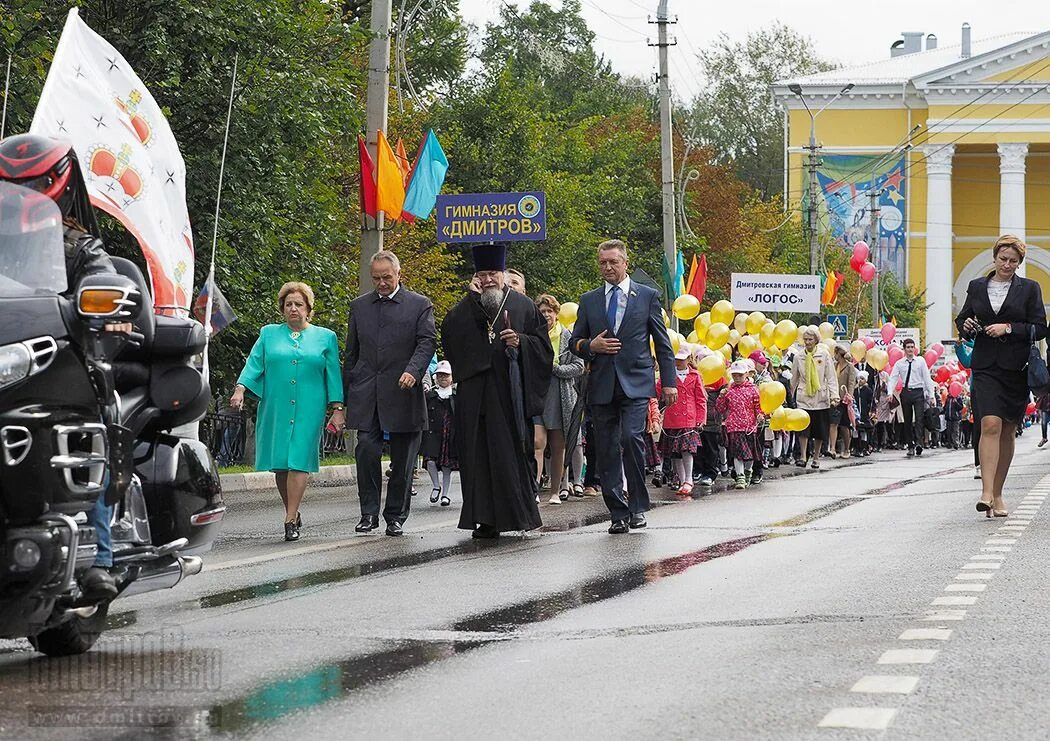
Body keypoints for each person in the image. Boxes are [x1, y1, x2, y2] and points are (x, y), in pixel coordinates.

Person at [0, 134, 136, 599]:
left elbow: (107, 279)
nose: (25, 190)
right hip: (8, 364)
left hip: (63, 362)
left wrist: (103, 297)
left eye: (35, 180)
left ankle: (99, 554)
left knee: (91, 423)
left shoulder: (78, 246)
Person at [442, 244, 553, 538]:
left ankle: (518, 517)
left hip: (509, 393)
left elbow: (544, 348)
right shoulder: (465, 307)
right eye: (483, 274)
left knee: (509, 454)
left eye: (493, 274)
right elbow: (451, 339)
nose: (488, 280)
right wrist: (471, 301)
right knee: (477, 456)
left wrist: (521, 342)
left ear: (502, 275)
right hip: (475, 394)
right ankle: (485, 520)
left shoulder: (523, 306)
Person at [570, 239, 676, 534]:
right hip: (602, 385)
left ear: (625, 263)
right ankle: (617, 512)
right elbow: (574, 342)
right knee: (605, 449)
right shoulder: (590, 300)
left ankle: (638, 507)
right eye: (603, 262)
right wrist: (591, 345)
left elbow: (663, 345)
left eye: (613, 262)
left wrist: (669, 382)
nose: (607, 267)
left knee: (631, 439)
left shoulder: (646, 296)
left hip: (636, 383)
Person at [232, 282, 344, 541]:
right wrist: (240, 389)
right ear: (282, 308)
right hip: (276, 405)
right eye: (288, 304)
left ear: (309, 309)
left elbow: (333, 376)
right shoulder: (269, 334)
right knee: (281, 463)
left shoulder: (325, 337)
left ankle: (289, 519)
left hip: (310, 406)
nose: (293, 309)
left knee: (299, 459)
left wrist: (337, 409)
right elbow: (254, 364)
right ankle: (292, 510)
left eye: (299, 304)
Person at [343, 250, 436, 537]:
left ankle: (395, 516)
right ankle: (368, 514)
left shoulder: (419, 305)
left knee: (403, 460)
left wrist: (413, 370)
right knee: (367, 449)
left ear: (398, 275)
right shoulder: (359, 307)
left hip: (404, 392)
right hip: (367, 392)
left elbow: (427, 342)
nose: (382, 283)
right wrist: (345, 398)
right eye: (376, 278)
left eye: (386, 277)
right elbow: (352, 353)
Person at [955, 234, 1048, 517]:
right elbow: (963, 319)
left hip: (1015, 367)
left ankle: (998, 492)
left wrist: (1008, 327)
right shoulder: (977, 286)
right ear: (994, 257)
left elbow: (1040, 328)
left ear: (1019, 263)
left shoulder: (1030, 289)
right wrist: (967, 325)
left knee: (1007, 429)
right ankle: (985, 492)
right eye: (1002, 259)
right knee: (990, 424)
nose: (1007, 264)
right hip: (985, 365)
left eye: (1013, 261)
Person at [534, 294, 585, 504]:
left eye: (549, 311)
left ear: (556, 313)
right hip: (537, 393)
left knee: (558, 446)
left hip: (561, 394)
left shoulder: (568, 337)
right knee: (537, 442)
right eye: (542, 311)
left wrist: (555, 368)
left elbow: (579, 366)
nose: (546, 315)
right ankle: (534, 489)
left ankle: (556, 491)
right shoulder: (534, 336)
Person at [656, 346, 706, 495]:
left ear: (688, 359)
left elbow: (701, 399)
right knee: (674, 452)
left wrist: (701, 418)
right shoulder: (667, 376)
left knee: (687, 450)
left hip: (689, 419)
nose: (678, 362)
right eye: (676, 359)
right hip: (671, 419)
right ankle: (682, 479)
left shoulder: (695, 376)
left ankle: (688, 479)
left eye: (681, 359)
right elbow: (657, 392)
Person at [790, 327, 838, 469]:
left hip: (820, 396)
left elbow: (830, 377)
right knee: (803, 428)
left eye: (810, 339)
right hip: (803, 397)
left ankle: (816, 457)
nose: (807, 342)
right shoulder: (799, 356)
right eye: (805, 339)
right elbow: (794, 378)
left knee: (819, 430)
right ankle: (803, 456)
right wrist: (789, 395)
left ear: (816, 340)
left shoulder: (824, 355)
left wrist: (834, 395)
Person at [716, 360, 764, 489]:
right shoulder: (729, 391)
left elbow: (758, 407)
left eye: (740, 375)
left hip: (750, 427)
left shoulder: (753, 390)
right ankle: (740, 477)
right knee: (738, 453)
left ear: (747, 374)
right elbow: (720, 408)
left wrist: (760, 415)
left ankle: (748, 471)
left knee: (750, 455)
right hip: (734, 426)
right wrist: (721, 396)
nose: (737, 378)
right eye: (734, 375)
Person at [886, 338, 936, 457]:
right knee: (907, 420)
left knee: (919, 419)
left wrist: (931, 395)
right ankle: (910, 445)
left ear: (914, 349)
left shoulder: (920, 361)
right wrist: (889, 392)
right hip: (906, 392)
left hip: (918, 392)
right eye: (908, 347)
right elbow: (893, 378)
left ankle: (919, 443)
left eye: (912, 347)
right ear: (904, 349)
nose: (910, 349)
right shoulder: (900, 363)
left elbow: (927, 379)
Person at [422, 360, 457, 507]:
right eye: (440, 375)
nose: (443, 378)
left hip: (449, 434)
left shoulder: (455, 395)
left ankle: (445, 494)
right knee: (430, 461)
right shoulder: (430, 395)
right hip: (432, 433)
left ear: (451, 377)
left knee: (446, 465)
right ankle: (436, 486)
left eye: (446, 375)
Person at [828, 344, 858, 458]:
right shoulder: (834, 366)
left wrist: (849, 396)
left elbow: (851, 382)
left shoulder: (850, 367)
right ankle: (832, 448)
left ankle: (846, 449)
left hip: (844, 399)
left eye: (835, 353)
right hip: (834, 399)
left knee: (844, 425)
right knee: (833, 423)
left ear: (838, 354)